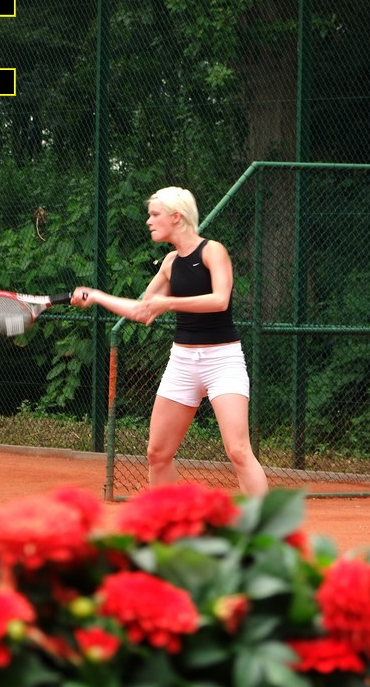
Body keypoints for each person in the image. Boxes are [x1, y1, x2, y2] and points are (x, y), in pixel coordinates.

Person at [71, 186, 269, 496]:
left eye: (155, 214)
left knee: (238, 451)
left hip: (223, 361)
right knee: (157, 453)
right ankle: (167, 521)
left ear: (176, 216)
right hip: (182, 363)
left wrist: (169, 303)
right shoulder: (169, 263)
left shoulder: (212, 251)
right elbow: (143, 310)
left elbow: (220, 300)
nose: (148, 221)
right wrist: (97, 296)